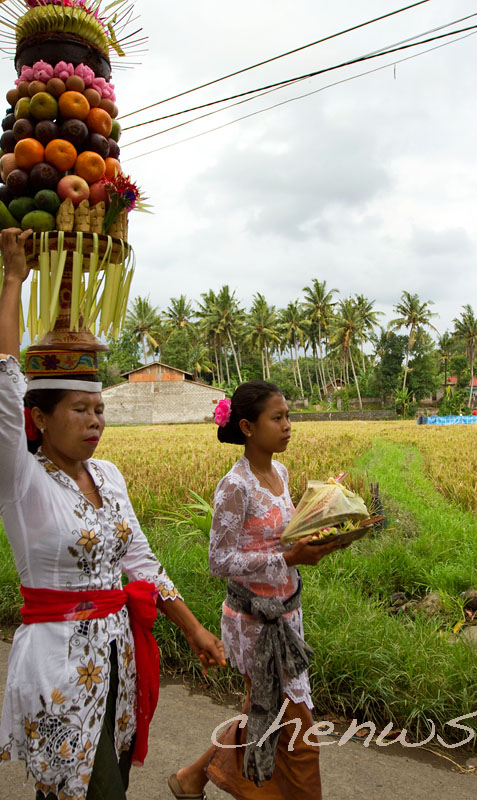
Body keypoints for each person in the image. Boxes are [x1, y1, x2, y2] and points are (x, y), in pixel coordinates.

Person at [0, 228, 226, 800]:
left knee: (106, 784)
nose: (96, 420)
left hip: (118, 656)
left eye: (100, 409)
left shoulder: (109, 476)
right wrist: (13, 281)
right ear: (41, 419)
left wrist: (194, 629)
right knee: (82, 790)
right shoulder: (21, 479)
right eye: (80, 409)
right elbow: (3, 381)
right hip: (57, 665)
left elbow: (142, 564)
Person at [168, 380, 348, 800]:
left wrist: (318, 539)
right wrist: (288, 558)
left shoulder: (280, 474)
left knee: (263, 711)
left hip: (287, 610)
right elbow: (219, 561)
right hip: (255, 622)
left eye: (289, 417)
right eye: (278, 417)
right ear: (247, 427)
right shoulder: (236, 486)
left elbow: (279, 541)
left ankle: (194, 776)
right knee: (297, 730)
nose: (289, 425)